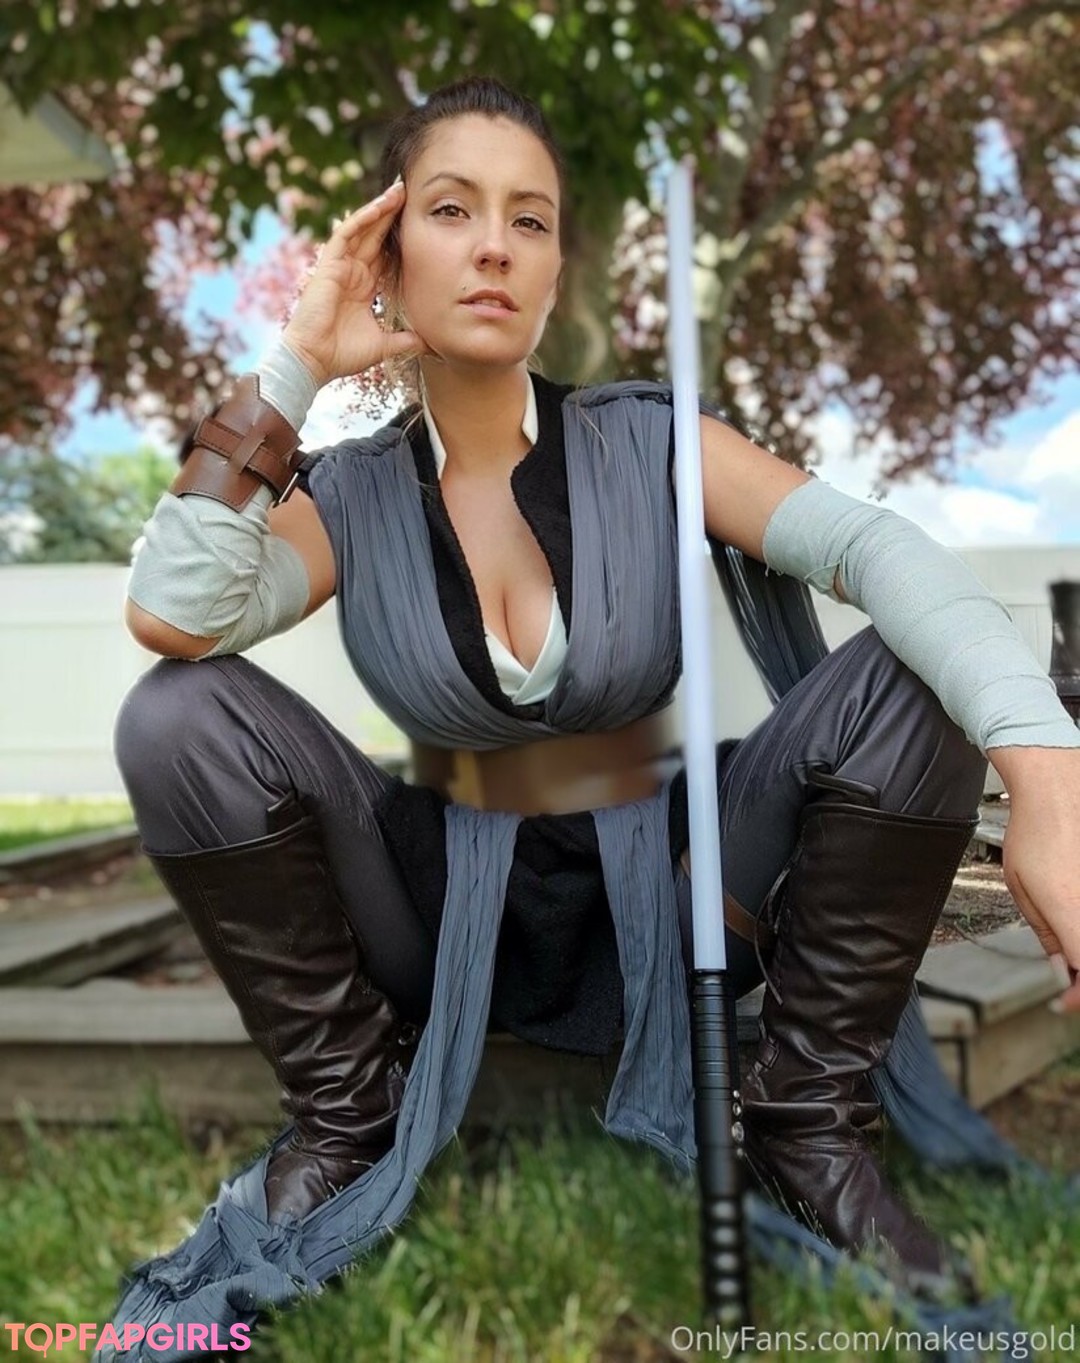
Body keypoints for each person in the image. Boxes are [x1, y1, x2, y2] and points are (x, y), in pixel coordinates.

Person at [116, 76, 1080, 1305]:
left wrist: (1047, 775)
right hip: (441, 896)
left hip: (677, 880)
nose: (494, 247)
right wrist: (295, 364)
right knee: (174, 714)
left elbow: (876, 548)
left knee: (914, 662)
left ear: (556, 267)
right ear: (387, 256)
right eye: (451, 210)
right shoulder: (347, 494)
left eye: (530, 220)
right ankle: (347, 1114)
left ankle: (805, 1124)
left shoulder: (651, 439)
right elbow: (175, 616)